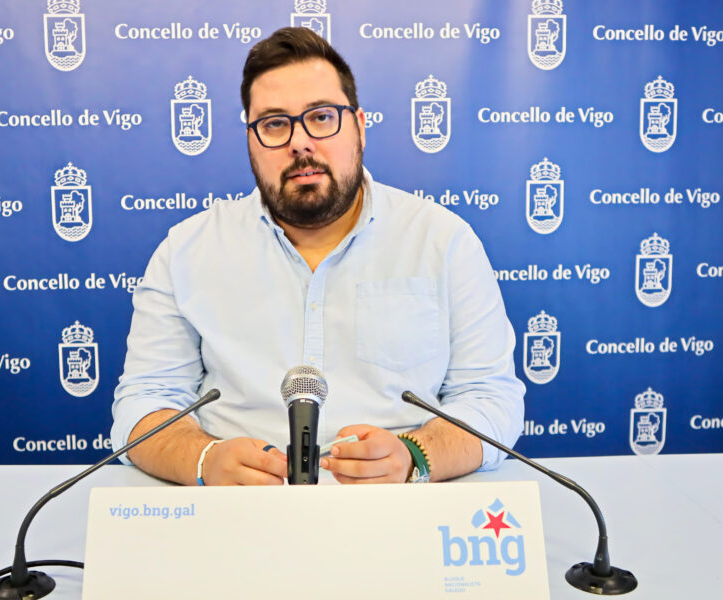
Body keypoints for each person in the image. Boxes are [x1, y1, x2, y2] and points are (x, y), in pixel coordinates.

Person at [111, 27, 525, 485]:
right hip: (235, 509)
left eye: (322, 117)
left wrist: (414, 457)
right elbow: (144, 402)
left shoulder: (443, 241)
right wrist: (204, 460)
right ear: (250, 139)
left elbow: (491, 399)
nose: (300, 142)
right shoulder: (187, 250)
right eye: (274, 124)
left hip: (399, 508)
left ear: (359, 126)